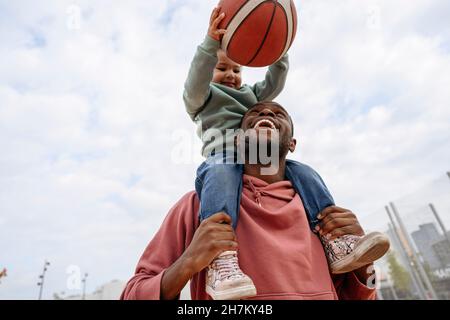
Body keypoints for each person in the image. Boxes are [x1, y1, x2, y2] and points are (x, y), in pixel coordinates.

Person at [182, 6, 389, 300]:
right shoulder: (204, 97)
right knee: (220, 174)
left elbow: (274, 83)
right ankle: (221, 257)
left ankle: (334, 241)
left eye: (236, 69)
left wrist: (280, 49)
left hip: (261, 160)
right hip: (224, 157)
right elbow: (194, 82)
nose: (230, 74)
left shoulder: (251, 98)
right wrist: (210, 44)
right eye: (222, 68)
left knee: (305, 172)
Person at [121, 102, 388, 300]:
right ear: (237, 140)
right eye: (256, 114)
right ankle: (222, 265)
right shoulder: (198, 207)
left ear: (292, 143)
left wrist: (363, 266)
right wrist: (188, 262)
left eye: (278, 113)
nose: (267, 114)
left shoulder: (321, 214)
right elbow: (132, 294)